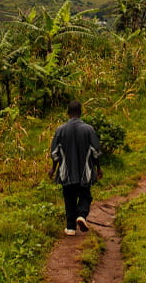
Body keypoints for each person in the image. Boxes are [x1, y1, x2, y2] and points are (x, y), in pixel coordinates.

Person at [49, 100, 102, 236]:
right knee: (85, 195)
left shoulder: (60, 130)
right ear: (80, 112)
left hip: (66, 172)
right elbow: (96, 152)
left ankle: (71, 227)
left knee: (69, 198)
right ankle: (82, 216)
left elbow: (54, 153)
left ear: (68, 113)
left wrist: (53, 169)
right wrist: (99, 168)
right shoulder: (88, 129)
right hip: (85, 171)